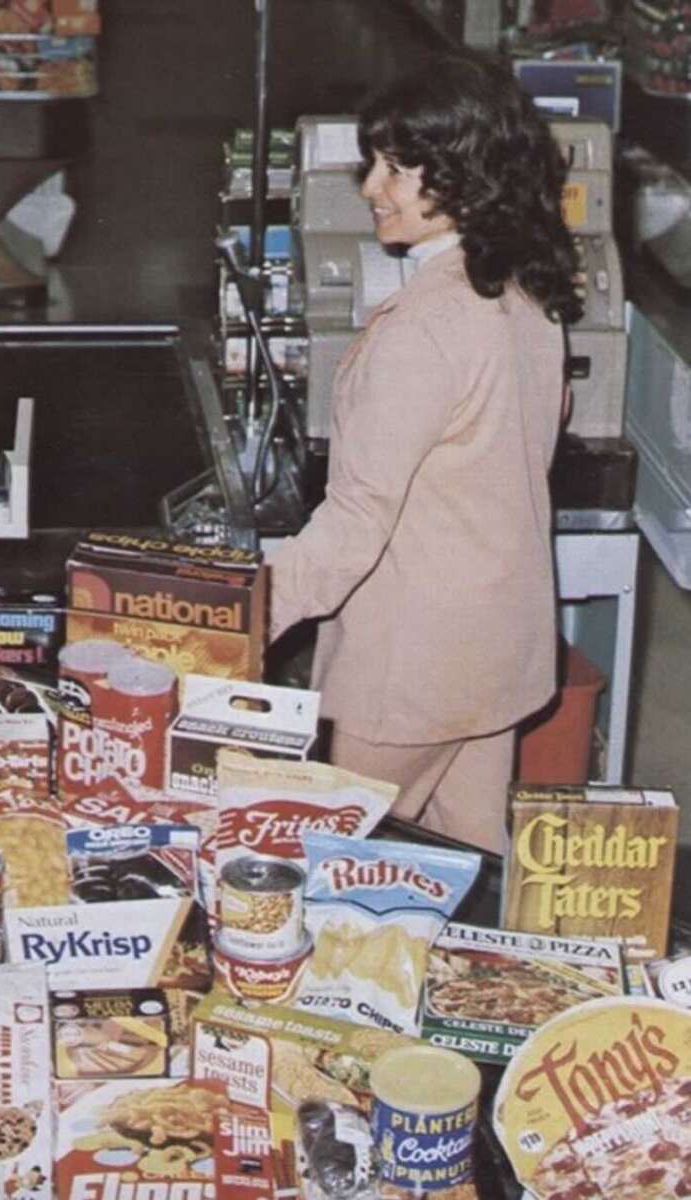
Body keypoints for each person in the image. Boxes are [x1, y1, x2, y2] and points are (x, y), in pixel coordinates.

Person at [269, 52, 582, 853]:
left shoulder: (422, 328)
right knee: (471, 867)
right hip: (495, 647)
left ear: (464, 174)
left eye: (398, 168)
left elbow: (353, 523)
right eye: (375, 163)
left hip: (408, 661)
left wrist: (230, 618)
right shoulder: (526, 299)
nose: (372, 187)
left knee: (336, 875)